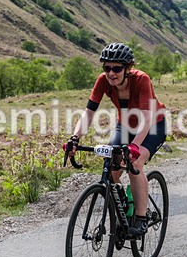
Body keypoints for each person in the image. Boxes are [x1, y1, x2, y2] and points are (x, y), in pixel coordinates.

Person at [65, 42, 168, 237]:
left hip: (154, 125)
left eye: (117, 68)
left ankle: (140, 217)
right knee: (112, 165)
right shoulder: (103, 81)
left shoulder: (141, 80)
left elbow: (147, 118)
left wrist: (135, 146)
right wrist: (75, 138)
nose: (111, 73)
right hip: (126, 125)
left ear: (128, 69)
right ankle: (121, 198)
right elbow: (88, 113)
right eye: (107, 68)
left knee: (134, 161)